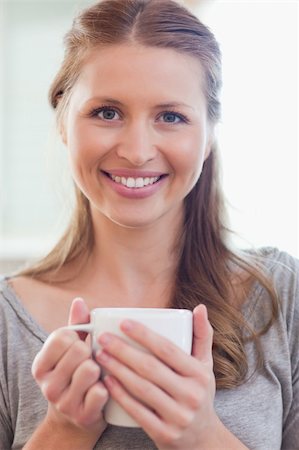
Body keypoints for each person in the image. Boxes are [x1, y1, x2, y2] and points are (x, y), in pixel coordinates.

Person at [0, 0, 298, 448]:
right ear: (63, 121)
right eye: (106, 112)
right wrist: (65, 428)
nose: (137, 151)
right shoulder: (7, 323)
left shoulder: (282, 296)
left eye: (171, 117)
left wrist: (202, 436)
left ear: (209, 136)